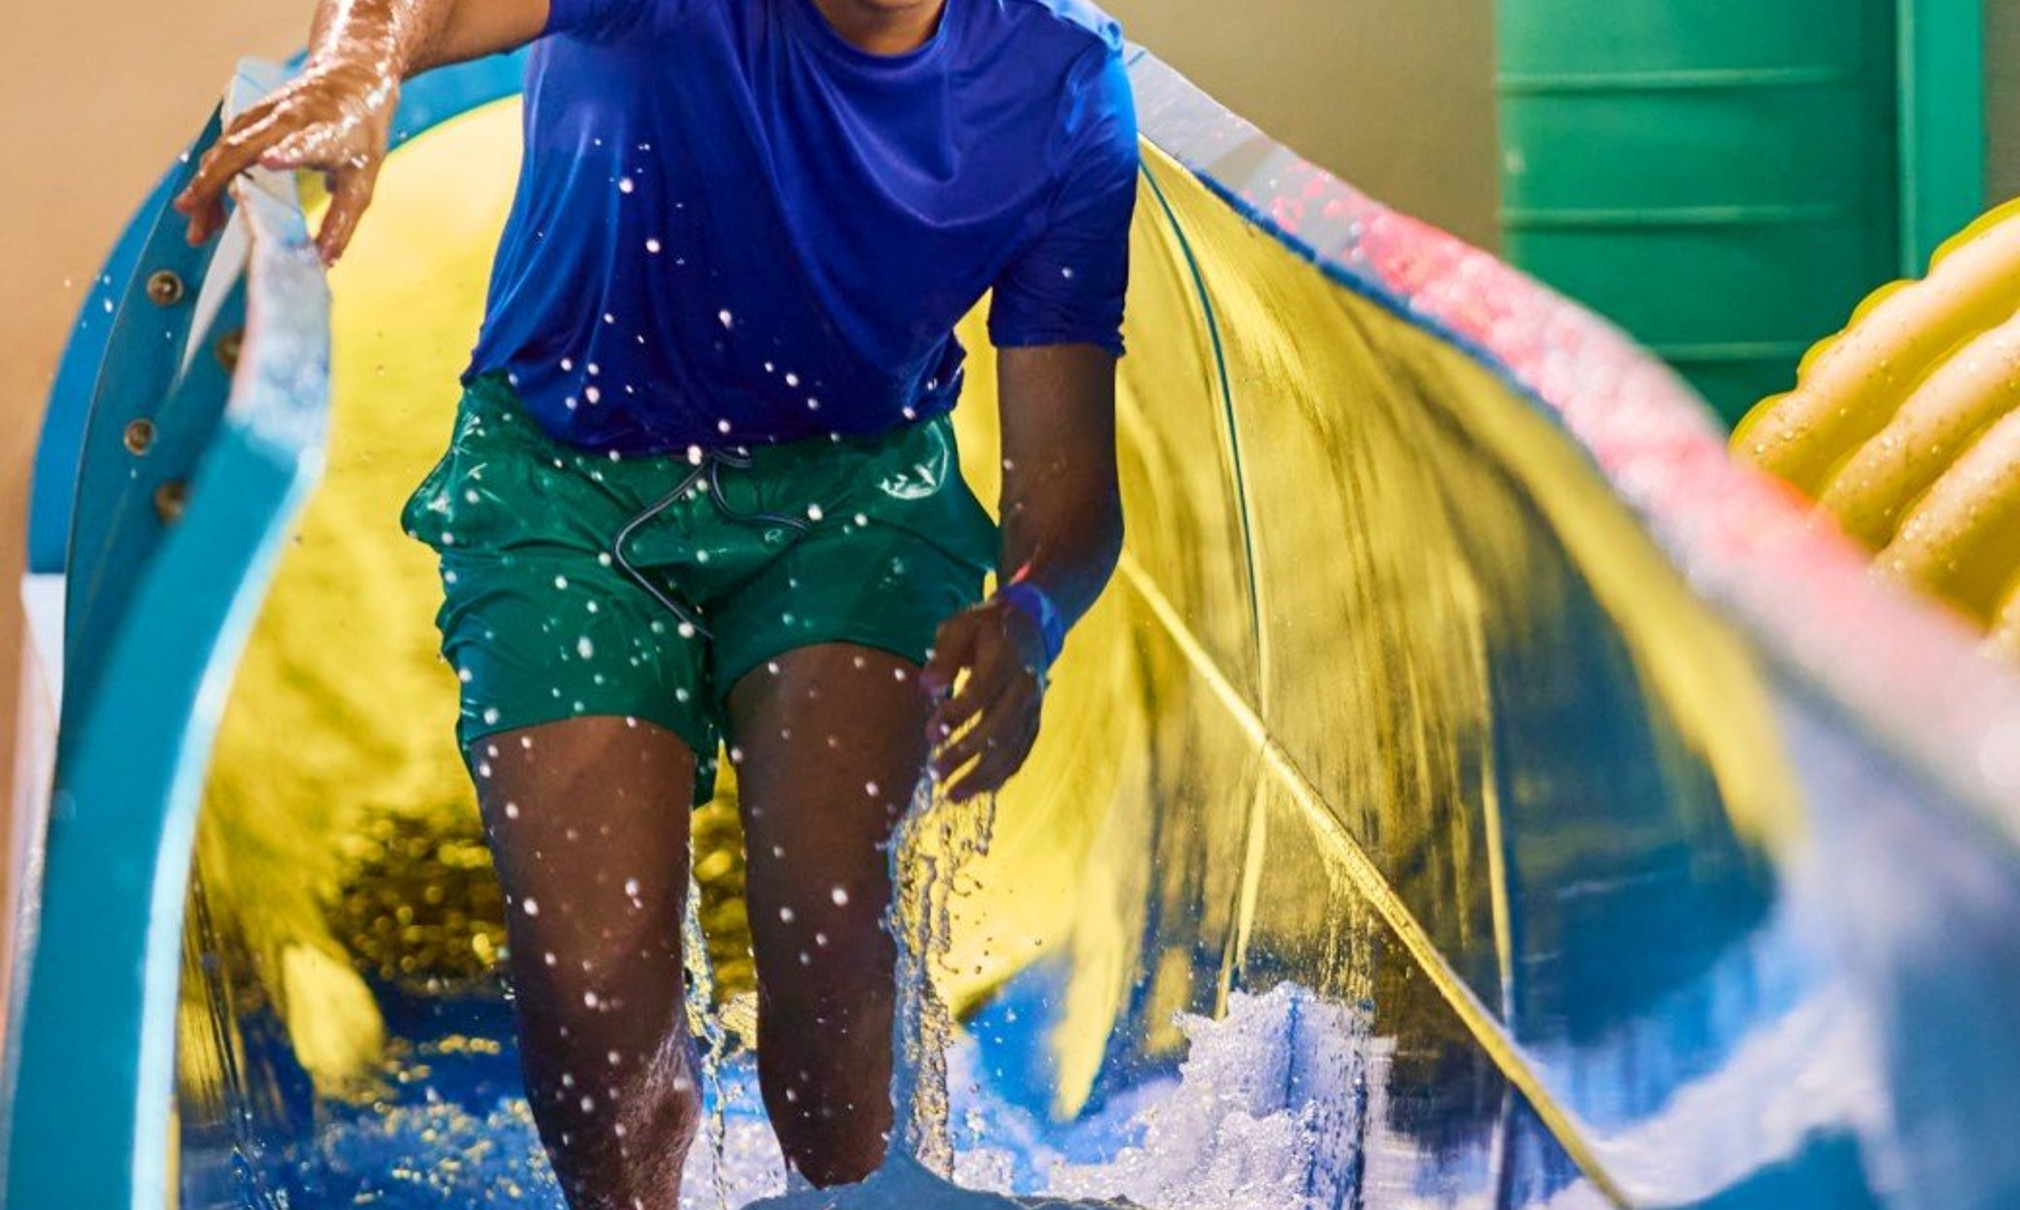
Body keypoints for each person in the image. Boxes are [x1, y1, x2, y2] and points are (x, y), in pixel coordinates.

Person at [176, 0, 1136, 1203]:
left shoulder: (1058, 80)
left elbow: (1066, 473)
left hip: (854, 497)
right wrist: (360, 65)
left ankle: (857, 1189)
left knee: (831, 936)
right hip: (562, 481)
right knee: (592, 997)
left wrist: (1031, 614)